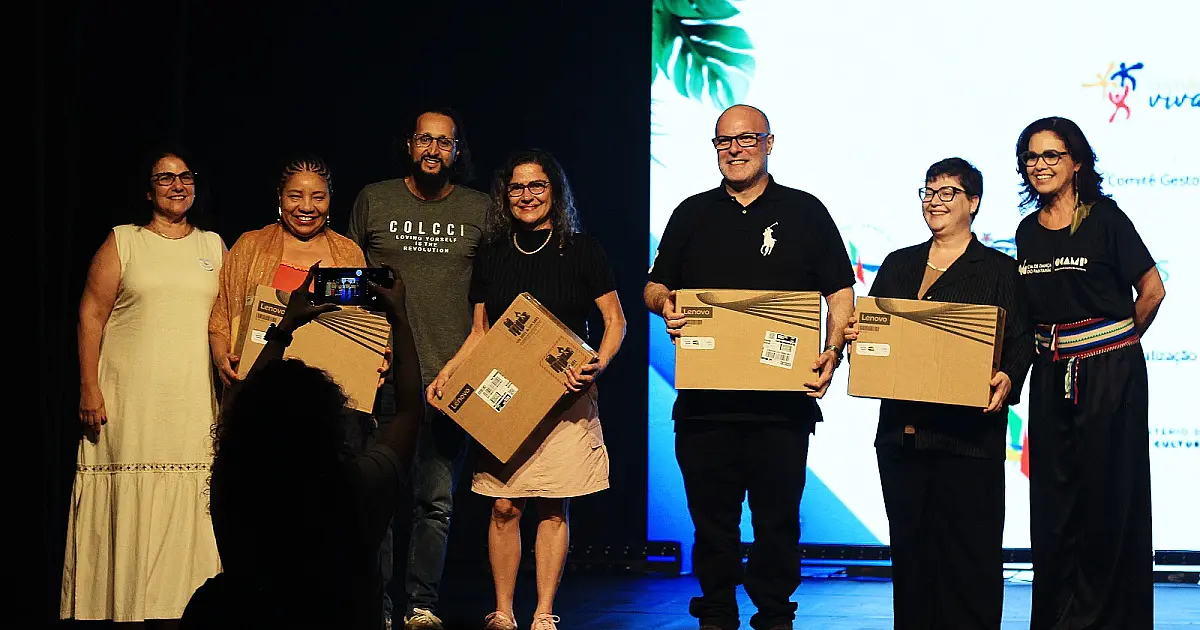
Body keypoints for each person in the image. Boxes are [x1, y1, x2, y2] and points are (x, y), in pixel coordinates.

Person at [644, 104, 855, 630]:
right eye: (723, 142)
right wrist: (665, 304)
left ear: (769, 143)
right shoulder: (692, 212)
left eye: (746, 139)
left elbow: (841, 292)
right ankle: (715, 608)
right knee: (711, 522)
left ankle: (775, 611)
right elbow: (654, 283)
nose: (734, 149)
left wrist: (833, 351)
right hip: (704, 406)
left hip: (781, 407)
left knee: (777, 519)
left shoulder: (805, 212)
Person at [428, 149, 626, 630]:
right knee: (502, 505)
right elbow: (480, 333)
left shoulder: (581, 249)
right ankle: (503, 611)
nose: (526, 196)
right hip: (508, 398)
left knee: (552, 505)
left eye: (537, 186)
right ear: (505, 196)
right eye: (516, 188)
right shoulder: (493, 255)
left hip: (565, 394)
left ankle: (542, 613)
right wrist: (448, 373)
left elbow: (615, 321)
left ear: (554, 192)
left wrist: (595, 366)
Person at [180, 262, 423, 629]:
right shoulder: (358, 484)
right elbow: (409, 413)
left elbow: (245, 408)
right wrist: (399, 320)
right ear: (331, 421)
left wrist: (284, 330)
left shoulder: (234, 480)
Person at [844, 158, 1033, 629]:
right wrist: (857, 341)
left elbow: (1021, 341)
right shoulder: (899, 264)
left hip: (968, 440)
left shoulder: (997, 269)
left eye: (948, 192)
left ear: (973, 203)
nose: (935, 201)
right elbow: (876, 341)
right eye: (929, 191)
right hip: (903, 439)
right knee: (911, 558)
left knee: (971, 561)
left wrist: (1008, 378)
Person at [1014, 117, 1165, 629]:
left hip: (1109, 375)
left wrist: (1115, 346)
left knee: (1107, 498)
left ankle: (1108, 618)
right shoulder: (1026, 232)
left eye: (1052, 155)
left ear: (1077, 162)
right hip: (1050, 375)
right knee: (1054, 504)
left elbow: (1152, 289)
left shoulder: (1105, 219)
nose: (1041, 165)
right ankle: (1058, 617)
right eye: (1032, 157)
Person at [62, 148, 224, 626]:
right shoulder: (123, 242)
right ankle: (124, 607)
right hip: (130, 401)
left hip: (193, 399)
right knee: (134, 500)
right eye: (165, 178)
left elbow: (233, 318)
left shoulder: (214, 246)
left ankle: (182, 609)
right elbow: (90, 315)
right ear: (148, 188)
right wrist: (88, 386)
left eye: (186, 177)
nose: (178, 186)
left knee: (192, 498)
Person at [347, 107, 488, 630]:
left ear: (457, 151)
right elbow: (347, 280)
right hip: (382, 380)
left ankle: (421, 605)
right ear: (409, 145)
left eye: (444, 142)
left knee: (436, 502)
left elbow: (488, 297)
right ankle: (379, 608)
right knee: (379, 501)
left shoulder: (479, 209)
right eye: (424, 140)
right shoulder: (374, 199)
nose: (433, 150)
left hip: (449, 382)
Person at [209, 156, 372, 390]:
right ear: (280, 197)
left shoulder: (347, 254)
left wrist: (372, 356)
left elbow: (358, 325)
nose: (306, 207)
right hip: (259, 390)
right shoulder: (251, 246)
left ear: (330, 199)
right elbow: (221, 316)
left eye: (318, 197)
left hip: (326, 397)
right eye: (295, 196)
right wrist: (219, 356)